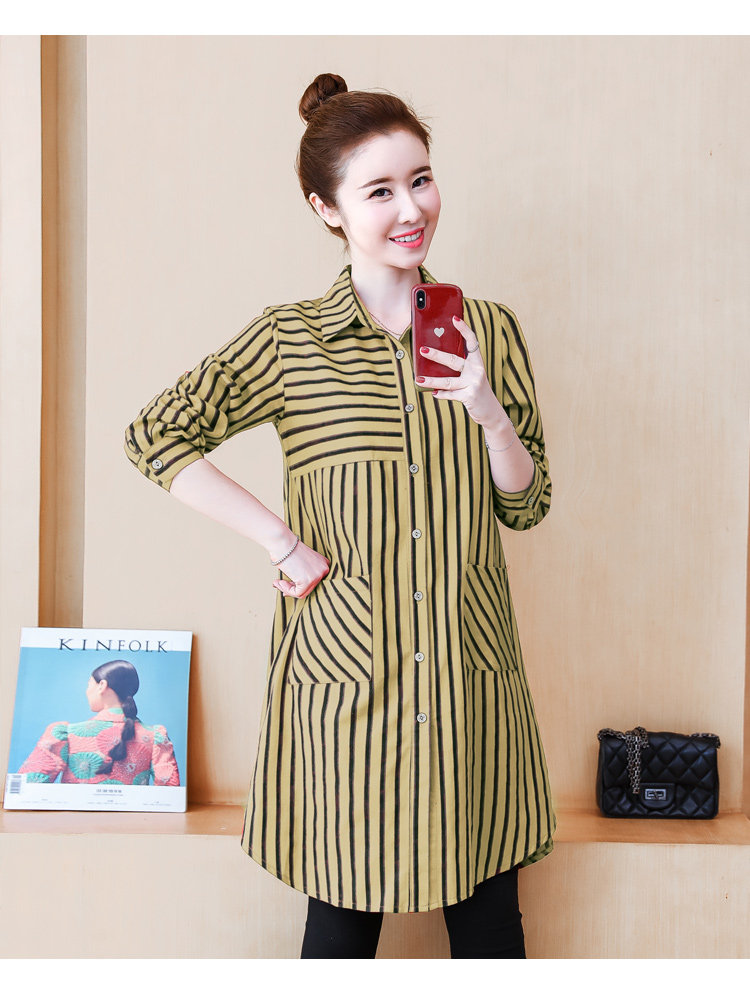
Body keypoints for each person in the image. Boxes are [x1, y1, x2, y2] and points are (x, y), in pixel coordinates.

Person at [124, 72, 556, 958]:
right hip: (349, 692)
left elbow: (528, 503)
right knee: (339, 938)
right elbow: (155, 434)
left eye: (421, 179)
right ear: (327, 209)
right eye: (380, 190)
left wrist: (487, 410)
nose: (412, 208)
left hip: (468, 687)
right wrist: (280, 542)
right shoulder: (290, 341)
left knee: (491, 935)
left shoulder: (491, 331)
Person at [18, 659, 180, 786]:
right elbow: (169, 794)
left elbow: (27, 787)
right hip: (132, 819)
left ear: (102, 685)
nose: (87, 691)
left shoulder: (66, 734)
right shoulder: (155, 736)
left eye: (89, 684)